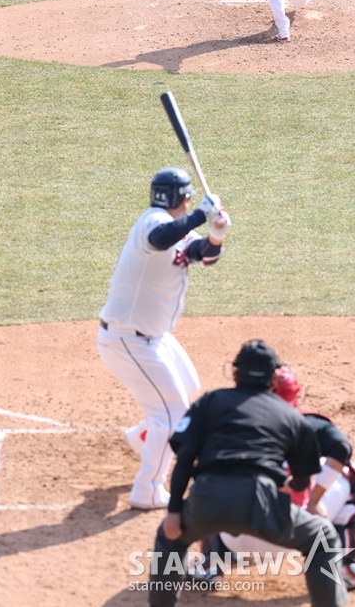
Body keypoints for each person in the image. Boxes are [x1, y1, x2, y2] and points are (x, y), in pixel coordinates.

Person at [149, 340, 349, 607]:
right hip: (261, 501)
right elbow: (303, 481)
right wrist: (288, 483)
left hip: (208, 498)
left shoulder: (210, 401)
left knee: (169, 539)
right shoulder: (289, 415)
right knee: (322, 538)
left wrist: (174, 511)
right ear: (274, 379)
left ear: (235, 374)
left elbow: (184, 457)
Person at [96, 167, 231, 510]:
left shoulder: (175, 228)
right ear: (182, 198)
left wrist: (216, 235)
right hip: (128, 339)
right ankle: (147, 491)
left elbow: (203, 254)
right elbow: (161, 239)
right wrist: (200, 214)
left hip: (153, 337)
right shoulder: (153, 223)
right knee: (173, 415)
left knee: (188, 387)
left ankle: (143, 438)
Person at [200, 364, 355, 591]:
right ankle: (346, 570)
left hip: (236, 539)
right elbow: (341, 448)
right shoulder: (310, 424)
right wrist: (314, 500)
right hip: (296, 535)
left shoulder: (228, 422)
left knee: (209, 477)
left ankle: (211, 563)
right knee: (351, 475)